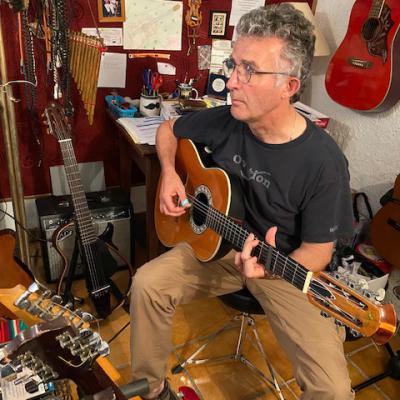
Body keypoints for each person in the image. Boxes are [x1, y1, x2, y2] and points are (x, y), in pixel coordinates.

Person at [130, 4, 354, 400]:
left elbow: (318, 253)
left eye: (249, 70)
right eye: (234, 65)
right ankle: (152, 390)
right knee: (147, 284)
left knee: (332, 390)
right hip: (222, 248)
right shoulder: (228, 120)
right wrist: (168, 173)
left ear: (289, 86)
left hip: (283, 267)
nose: (231, 81)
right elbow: (167, 129)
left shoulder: (324, 163)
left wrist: (268, 271)